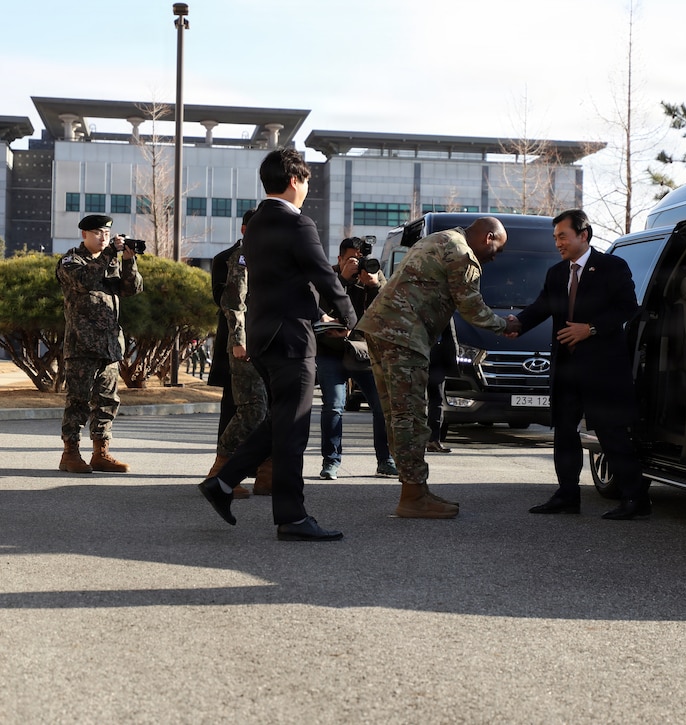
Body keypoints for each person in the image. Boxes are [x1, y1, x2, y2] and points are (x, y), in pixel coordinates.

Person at [197, 148, 357, 542]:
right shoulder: (297, 223)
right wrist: (351, 318)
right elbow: (323, 274)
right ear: (292, 181)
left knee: (279, 421)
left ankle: (223, 482)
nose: (305, 189)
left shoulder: (257, 225)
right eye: (305, 181)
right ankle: (292, 517)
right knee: (293, 430)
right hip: (291, 340)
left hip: (263, 338)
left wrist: (318, 313)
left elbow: (284, 279)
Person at [356, 217, 518, 518]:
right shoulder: (462, 253)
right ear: (489, 237)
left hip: (381, 329)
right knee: (411, 416)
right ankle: (412, 497)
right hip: (404, 335)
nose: (496, 256)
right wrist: (504, 324)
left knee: (396, 414)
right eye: (498, 248)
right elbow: (471, 306)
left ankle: (415, 487)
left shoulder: (439, 238)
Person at [507, 209, 648, 520]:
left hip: (603, 370)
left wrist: (590, 328)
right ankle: (567, 495)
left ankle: (635, 499)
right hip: (566, 368)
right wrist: (517, 323)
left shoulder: (612, 266)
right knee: (564, 433)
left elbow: (628, 308)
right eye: (555, 237)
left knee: (611, 434)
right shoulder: (557, 273)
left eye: (563, 236)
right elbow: (542, 306)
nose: (558, 242)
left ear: (583, 235)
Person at [55, 214, 143, 473]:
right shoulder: (72, 261)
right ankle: (70, 453)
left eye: (106, 233)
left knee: (106, 401)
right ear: (84, 234)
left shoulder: (111, 261)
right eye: (97, 233)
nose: (103, 238)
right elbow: (85, 282)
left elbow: (131, 290)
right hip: (82, 345)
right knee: (78, 401)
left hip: (109, 346)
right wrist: (109, 256)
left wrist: (128, 261)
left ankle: (100, 452)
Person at [314, 237, 398, 480]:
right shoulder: (326, 278)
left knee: (382, 407)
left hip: (364, 351)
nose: (356, 263)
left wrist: (372, 286)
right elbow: (317, 308)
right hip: (331, 351)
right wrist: (341, 280)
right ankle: (331, 461)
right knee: (333, 406)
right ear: (339, 259)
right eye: (351, 259)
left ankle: (385, 460)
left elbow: (386, 312)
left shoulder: (375, 276)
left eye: (359, 259)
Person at [206, 209, 272, 499]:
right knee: (247, 408)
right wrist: (238, 340)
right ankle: (222, 471)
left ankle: (266, 473)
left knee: (270, 408)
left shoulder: (273, 255)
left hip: (270, 342)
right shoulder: (238, 257)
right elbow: (233, 304)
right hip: (244, 344)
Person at [425, 326, 456, 453]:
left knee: (432, 399)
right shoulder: (443, 306)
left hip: (420, 353)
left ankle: (430, 439)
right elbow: (450, 334)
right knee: (436, 400)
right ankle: (432, 440)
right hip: (434, 355)